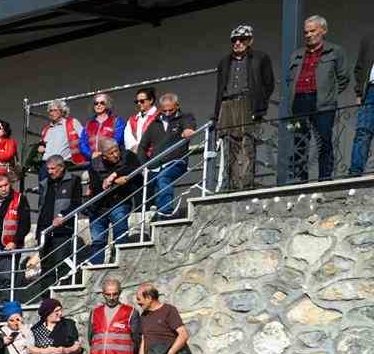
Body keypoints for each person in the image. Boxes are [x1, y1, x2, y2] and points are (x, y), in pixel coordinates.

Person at [284, 14, 351, 184]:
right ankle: (299, 180)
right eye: (306, 32)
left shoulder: (335, 51)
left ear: (323, 30)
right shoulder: (297, 54)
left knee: (324, 140)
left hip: (323, 103)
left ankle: (325, 179)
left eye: (312, 31)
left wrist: (330, 95)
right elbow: (288, 80)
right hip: (298, 102)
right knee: (298, 140)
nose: (308, 35)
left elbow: (344, 77)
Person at [213, 24, 275, 191]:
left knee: (247, 142)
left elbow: (269, 84)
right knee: (228, 144)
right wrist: (216, 112)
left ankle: (247, 183)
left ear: (250, 40)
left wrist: (260, 104)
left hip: (248, 102)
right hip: (227, 103)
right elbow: (220, 88)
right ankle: (232, 184)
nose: (238, 43)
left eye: (242, 39)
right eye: (234, 40)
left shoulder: (260, 58)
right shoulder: (224, 62)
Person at [137, 92, 198, 217]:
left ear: (177, 106)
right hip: (155, 165)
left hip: (176, 162)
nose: (167, 113)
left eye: (171, 110)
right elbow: (142, 147)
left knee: (163, 178)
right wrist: (144, 165)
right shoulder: (154, 124)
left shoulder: (185, 117)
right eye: (164, 110)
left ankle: (165, 212)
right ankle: (147, 217)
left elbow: (189, 127)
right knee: (141, 184)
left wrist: (188, 130)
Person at [85, 140, 143, 267]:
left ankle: (122, 264)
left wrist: (114, 175)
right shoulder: (95, 164)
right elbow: (96, 186)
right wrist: (116, 182)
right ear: (103, 155)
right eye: (111, 153)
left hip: (120, 201)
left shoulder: (127, 155)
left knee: (120, 232)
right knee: (98, 240)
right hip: (99, 206)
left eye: (116, 150)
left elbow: (136, 169)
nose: (116, 155)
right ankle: (95, 268)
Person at [135, 282, 189, 354]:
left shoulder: (169, 310)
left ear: (149, 298)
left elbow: (183, 335)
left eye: (139, 299)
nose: (138, 302)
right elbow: (144, 338)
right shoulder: (144, 315)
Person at [35, 155, 84, 275]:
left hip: (62, 230)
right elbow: (42, 207)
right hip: (44, 230)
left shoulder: (73, 180)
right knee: (46, 267)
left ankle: (62, 292)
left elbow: (76, 204)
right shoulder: (45, 183)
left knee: (62, 264)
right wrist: (39, 231)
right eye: (48, 169)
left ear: (61, 167)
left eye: (52, 168)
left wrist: (62, 216)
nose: (49, 172)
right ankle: (45, 294)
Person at [88, 278, 141, 354]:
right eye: (108, 294)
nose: (111, 298)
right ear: (103, 294)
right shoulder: (95, 313)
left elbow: (136, 341)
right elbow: (90, 338)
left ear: (120, 293)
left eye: (115, 294)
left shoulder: (131, 312)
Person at [78, 94, 125, 170]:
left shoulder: (116, 121)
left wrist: (105, 152)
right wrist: (91, 154)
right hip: (93, 163)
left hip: (111, 163)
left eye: (102, 103)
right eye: (96, 103)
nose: (98, 105)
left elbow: (118, 139)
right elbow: (82, 143)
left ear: (107, 105)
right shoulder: (88, 124)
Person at [353, 32, 374, 177]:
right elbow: (359, 67)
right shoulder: (369, 38)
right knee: (363, 131)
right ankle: (355, 171)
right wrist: (360, 92)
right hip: (370, 90)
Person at [40, 101, 85, 166]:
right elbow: (42, 146)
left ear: (62, 111)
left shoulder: (72, 123)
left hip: (63, 164)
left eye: (55, 110)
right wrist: (41, 147)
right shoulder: (46, 129)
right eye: (50, 111)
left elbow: (85, 138)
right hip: (45, 164)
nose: (52, 113)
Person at [124, 87, 159, 157]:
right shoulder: (133, 119)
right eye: (137, 101)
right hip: (136, 155)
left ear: (151, 100)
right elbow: (128, 137)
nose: (139, 103)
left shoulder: (159, 116)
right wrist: (134, 147)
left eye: (142, 101)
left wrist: (144, 149)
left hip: (153, 155)